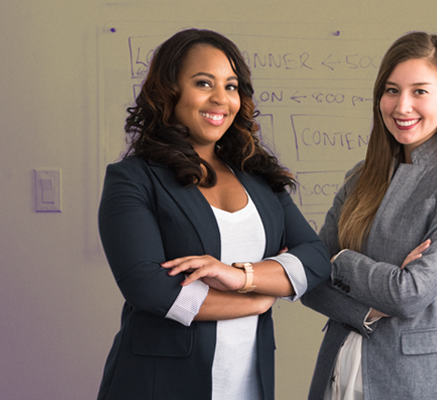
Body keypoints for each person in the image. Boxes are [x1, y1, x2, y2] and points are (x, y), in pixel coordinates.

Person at [96, 28, 330, 400]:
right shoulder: (134, 179)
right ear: (170, 91)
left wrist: (241, 277)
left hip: (248, 383)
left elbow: (315, 258)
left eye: (232, 86)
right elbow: (149, 287)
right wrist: (257, 299)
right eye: (204, 83)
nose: (221, 99)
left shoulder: (258, 176)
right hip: (160, 384)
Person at [301, 31, 437, 400]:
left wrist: (339, 260)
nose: (402, 106)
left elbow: (409, 293)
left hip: (421, 379)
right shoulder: (360, 176)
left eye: (420, 91)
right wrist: (369, 310)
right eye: (391, 91)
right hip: (339, 368)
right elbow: (310, 280)